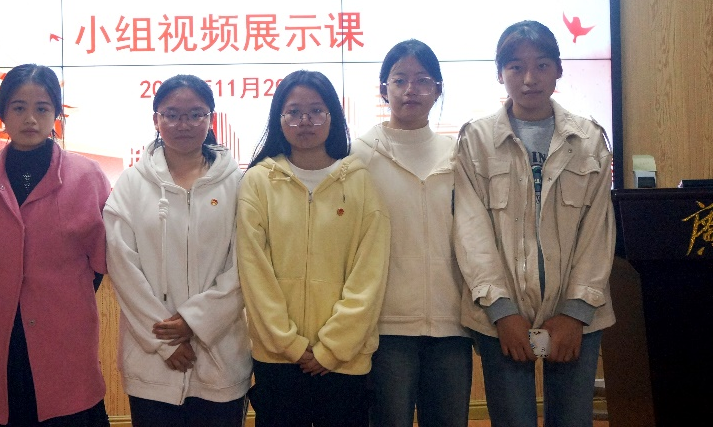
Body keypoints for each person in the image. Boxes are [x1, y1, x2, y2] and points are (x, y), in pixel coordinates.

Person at [453, 20, 615, 427]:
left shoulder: (589, 138)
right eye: (515, 67)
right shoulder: (476, 139)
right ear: (500, 74)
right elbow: (471, 231)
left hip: (577, 316)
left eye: (541, 65)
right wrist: (502, 311)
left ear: (558, 69)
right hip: (502, 318)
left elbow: (598, 230)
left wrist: (576, 311)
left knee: (573, 420)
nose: (529, 79)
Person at [236, 70, 391, 427]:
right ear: (279, 118)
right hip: (277, 359)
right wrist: (289, 343)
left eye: (316, 111)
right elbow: (254, 272)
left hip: (344, 360)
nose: (304, 121)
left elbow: (369, 275)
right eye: (293, 112)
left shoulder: (360, 181)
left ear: (333, 116)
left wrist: (332, 347)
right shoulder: (258, 181)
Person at [0, 64, 110, 427]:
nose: (30, 118)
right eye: (18, 107)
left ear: (56, 114)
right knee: (1, 410)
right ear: (2, 114)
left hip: (65, 329)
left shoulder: (87, 175)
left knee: (69, 410)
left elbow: (100, 258)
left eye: (42, 108)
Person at [104, 75, 252, 427]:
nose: (183, 124)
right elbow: (122, 265)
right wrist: (166, 341)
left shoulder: (238, 183)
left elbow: (245, 264)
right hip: (152, 360)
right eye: (171, 115)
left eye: (196, 114)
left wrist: (195, 321)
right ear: (156, 119)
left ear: (211, 118)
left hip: (220, 355)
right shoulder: (132, 184)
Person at [351, 40, 472, 427]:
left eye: (422, 80)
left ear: (437, 89)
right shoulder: (359, 155)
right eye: (399, 80)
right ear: (383, 89)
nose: (410, 90)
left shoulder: (458, 155)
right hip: (386, 325)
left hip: (451, 322)